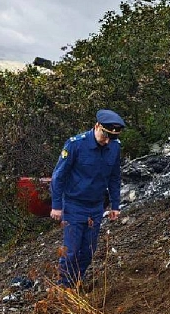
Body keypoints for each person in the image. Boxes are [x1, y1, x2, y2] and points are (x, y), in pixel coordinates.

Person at [49, 109, 125, 288]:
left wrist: (115, 205)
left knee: (88, 252)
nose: (106, 140)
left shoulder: (114, 147)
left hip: (96, 207)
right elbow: (58, 176)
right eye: (104, 135)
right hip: (74, 205)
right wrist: (56, 205)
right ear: (97, 126)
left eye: (110, 138)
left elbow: (115, 177)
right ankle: (64, 288)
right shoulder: (76, 144)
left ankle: (75, 281)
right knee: (71, 251)